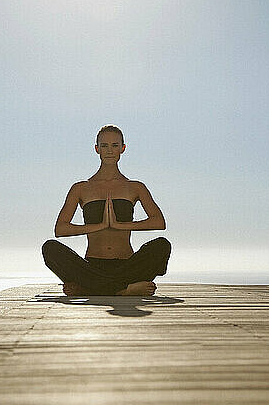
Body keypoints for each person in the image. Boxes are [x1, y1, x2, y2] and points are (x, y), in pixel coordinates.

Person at [41, 124, 172, 296]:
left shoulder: (136, 187)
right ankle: (123, 289)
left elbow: (159, 222)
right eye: (104, 146)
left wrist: (120, 225)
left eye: (115, 145)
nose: (109, 150)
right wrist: (100, 225)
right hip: (92, 265)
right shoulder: (80, 188)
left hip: (128, 265)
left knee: (162, 245)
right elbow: (60, 229)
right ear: (97, 149)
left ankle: (91, 288)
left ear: (123, 148)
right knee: (50, 248)